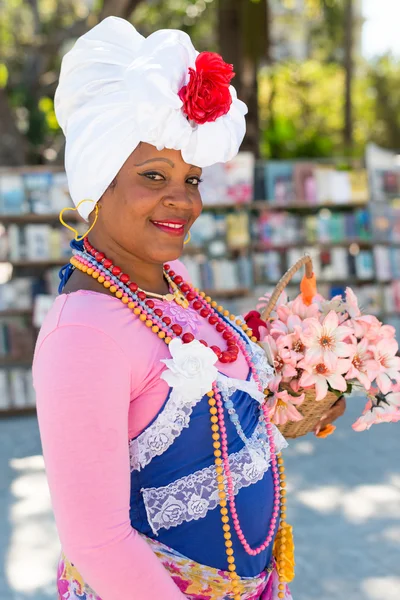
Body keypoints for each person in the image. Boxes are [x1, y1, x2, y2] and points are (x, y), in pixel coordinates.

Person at [33, 16, 343, 600]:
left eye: (192, 179)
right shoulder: (84, 334)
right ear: (99, 184)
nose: (183, 199)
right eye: (154, 176)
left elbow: (208, 441)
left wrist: (297, 411)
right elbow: (96, 541)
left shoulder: (171, 288)